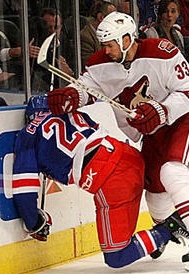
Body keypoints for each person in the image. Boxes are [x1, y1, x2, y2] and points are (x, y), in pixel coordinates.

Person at [47, 11, 189, 263]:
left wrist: (162, 110)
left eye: (111, 45)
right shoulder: (100, 62)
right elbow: (85, 89)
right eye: (104, 45)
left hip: (181, 121)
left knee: (172, 171)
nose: (107, 50)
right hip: (151, 133)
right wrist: (69, 96)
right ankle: (167, 230)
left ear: (126, 40)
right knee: (155, 199)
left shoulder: (161, 51)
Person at [12, 95, 189, 268]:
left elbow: (24, 192)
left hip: (112, 180)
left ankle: (169, 227)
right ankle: (158, 235)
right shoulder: (72, 113)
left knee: (117, 256)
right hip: (129, 155)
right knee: (157, 192)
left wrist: (34, 223)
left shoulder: (27, 136)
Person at [80, 0, 117, 69]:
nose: (115, 22)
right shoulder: (85, 37)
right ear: (101, 17)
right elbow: (89, 65)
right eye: (112, 18)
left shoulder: (112, 35)